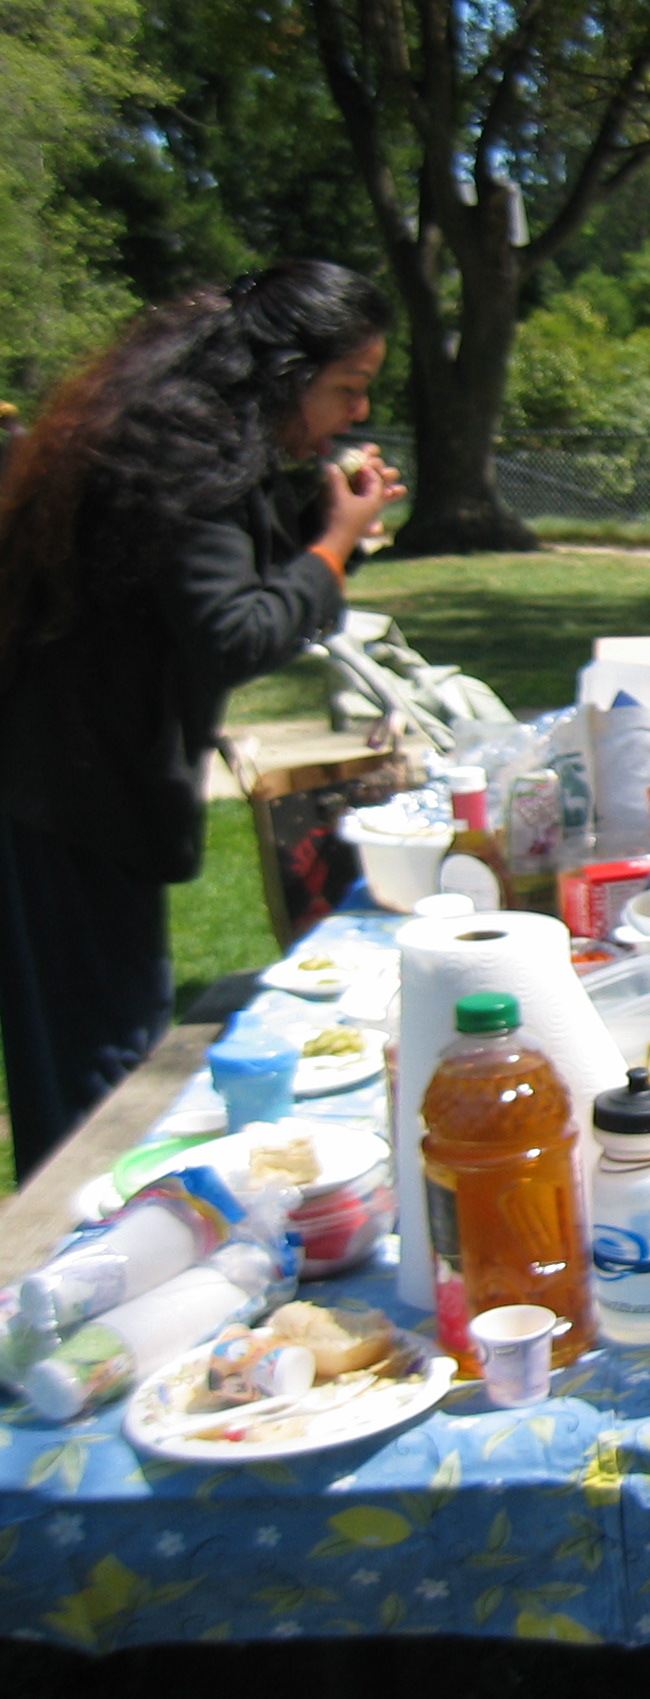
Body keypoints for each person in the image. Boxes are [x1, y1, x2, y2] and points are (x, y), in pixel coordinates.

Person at [0, 259, 404, 1180]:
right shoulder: (186, 457)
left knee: (106, 1042)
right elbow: (232, 631)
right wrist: (335, 544)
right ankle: (76, 1247)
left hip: (80, 777)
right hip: (66, 792)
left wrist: (328, 528)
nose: (357, 412)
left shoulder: (182, 438)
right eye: (348, 387)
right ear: (288, 373)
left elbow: (219, 576)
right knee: (96, 1068)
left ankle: (96, 1223)